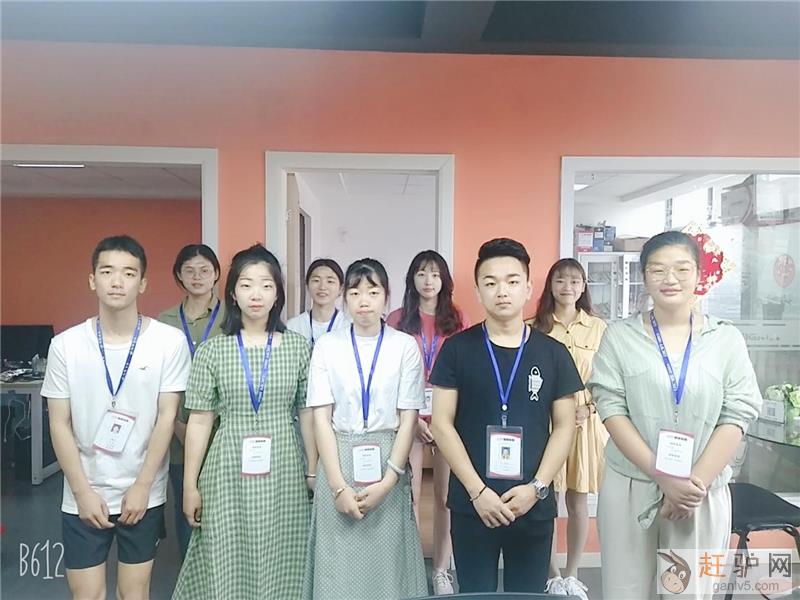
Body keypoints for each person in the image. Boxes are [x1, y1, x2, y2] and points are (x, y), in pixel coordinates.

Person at [588, 231, 762, 599]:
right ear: (644, 277)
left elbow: (738, 412)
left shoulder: (726, 339)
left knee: (688, 590)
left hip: (700, 490)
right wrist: (663, 477)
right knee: (625, 590)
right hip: (631, 483)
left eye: (682, 269)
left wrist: (690, 485)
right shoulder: (618, 337)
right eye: (658, 269)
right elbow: (611, 408)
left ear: (699, 275)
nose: (670, 279)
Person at [430, 238, 584, 594]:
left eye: (512, 281)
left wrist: (537, 488)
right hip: (472, 504)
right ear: (478, 290)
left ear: (528, 288)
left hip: (532, 504)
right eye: (491, 282)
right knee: (475, 593)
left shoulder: (553, 354)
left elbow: (565, 427)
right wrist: (477, 491)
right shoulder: (457, 349)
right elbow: (441, 424)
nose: (502, 291)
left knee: (527, 594)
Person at [43, 235, 191, 600]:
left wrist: (143, 486)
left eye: (128, 273)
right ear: (92, 279)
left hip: (142, 492)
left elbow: (166, 417)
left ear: (143, 283)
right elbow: (58, 423)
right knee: (86, 595)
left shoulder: (168, 342)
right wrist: (81, 492)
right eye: (107, 271)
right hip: (83, 491)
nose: (117, 281)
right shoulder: (65, 345)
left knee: (133, 593)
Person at [172, 244, 315, 599]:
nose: (256, 294)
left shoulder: (299, 347)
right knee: (225, 550)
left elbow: (308, 414)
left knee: (286, 550)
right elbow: (200, 422)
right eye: (247, 284)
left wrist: (313, 470)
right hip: (225, 470)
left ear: (278, 294)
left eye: (266, 285)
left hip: (285, 467)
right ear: (233, 292)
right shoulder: (213, 351)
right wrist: (190, 486)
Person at [303, 258, 428, 600]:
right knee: (338, 564)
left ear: (387, 297)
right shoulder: (328, 346)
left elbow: (408, 417)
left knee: (388, 565)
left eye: (373, 292)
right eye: (355, 293)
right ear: (344, 297)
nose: (364, 301)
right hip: (338, 459)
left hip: (389, 459)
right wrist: (337, 487)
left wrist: (388, 482)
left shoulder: (404, 346)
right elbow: (320, 418)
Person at [386, 249, 467, 595]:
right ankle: (411, 567)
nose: (428, 280)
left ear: (444, 280)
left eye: (434, 274)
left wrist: (442, 420)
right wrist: (415, 418)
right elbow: (389, 373)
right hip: (409, 417)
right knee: (411, 496)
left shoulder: (457, 318)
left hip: (446, 419)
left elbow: (463, 370)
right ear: (412, 279)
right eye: (421, 273)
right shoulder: (397, 319)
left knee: (445, 496)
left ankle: (440, 570)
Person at [531, 258, 607, 600]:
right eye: (560, 280)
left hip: (586, 425)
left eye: (575, 281)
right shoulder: (535, 327)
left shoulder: (598, 328)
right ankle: (553, 575)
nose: (567, 287)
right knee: (545, 500)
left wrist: (587, 409)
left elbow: (608, 381)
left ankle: (573, 573)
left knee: (578, 501)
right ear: (550, 284)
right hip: (545, 424)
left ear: (584, 286)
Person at [157, 243, 225, 560]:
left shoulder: (233, 318)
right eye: (189, 271)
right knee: (185, 501)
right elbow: (156, 379)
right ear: (179, 276)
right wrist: (177, 425)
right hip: (176, 425)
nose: (197, 277)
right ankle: (189, 571)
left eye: (205, 270)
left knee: (223, 507)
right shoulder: (164, 321)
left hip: (223, 428)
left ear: (216, 275)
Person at [287, 258, 350, 346]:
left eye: (330, 281)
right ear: (307, 286)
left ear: (341, 289)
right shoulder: (293, 326)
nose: (322, 287)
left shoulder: (349, 325)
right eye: (316, 280)